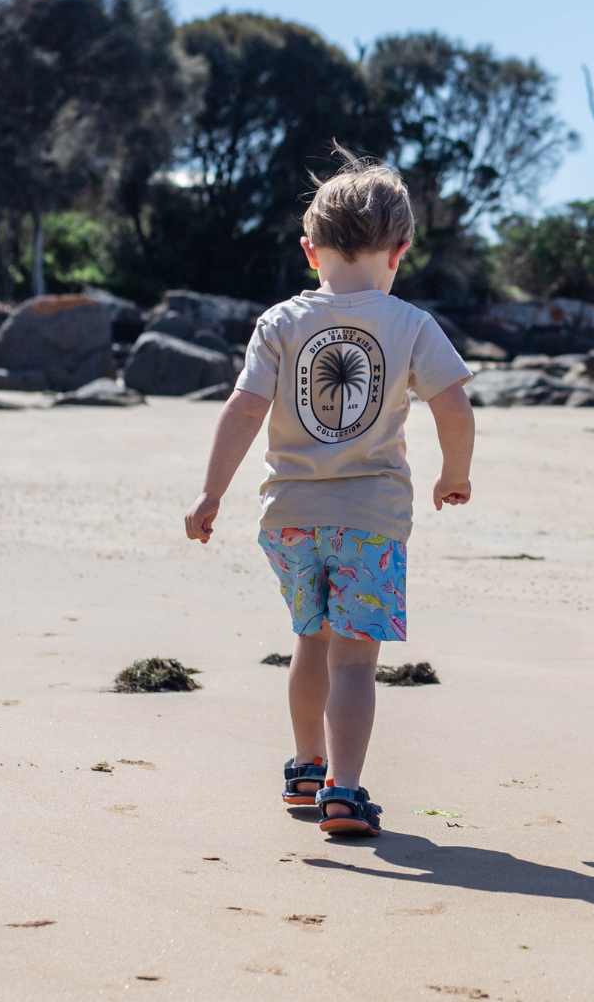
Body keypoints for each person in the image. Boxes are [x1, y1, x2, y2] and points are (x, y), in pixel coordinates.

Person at [184, 147, 475, 836]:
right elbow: (456, 410)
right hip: (370, 520)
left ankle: (305, 767)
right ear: (400, 252)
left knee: (308, 641)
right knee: (354, 660)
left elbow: (244, 410)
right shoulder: (411, 325)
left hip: (288, 518)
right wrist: (454, 475)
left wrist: (210, 494)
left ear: (309, 251)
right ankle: (343, 792)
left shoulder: (280, 323)